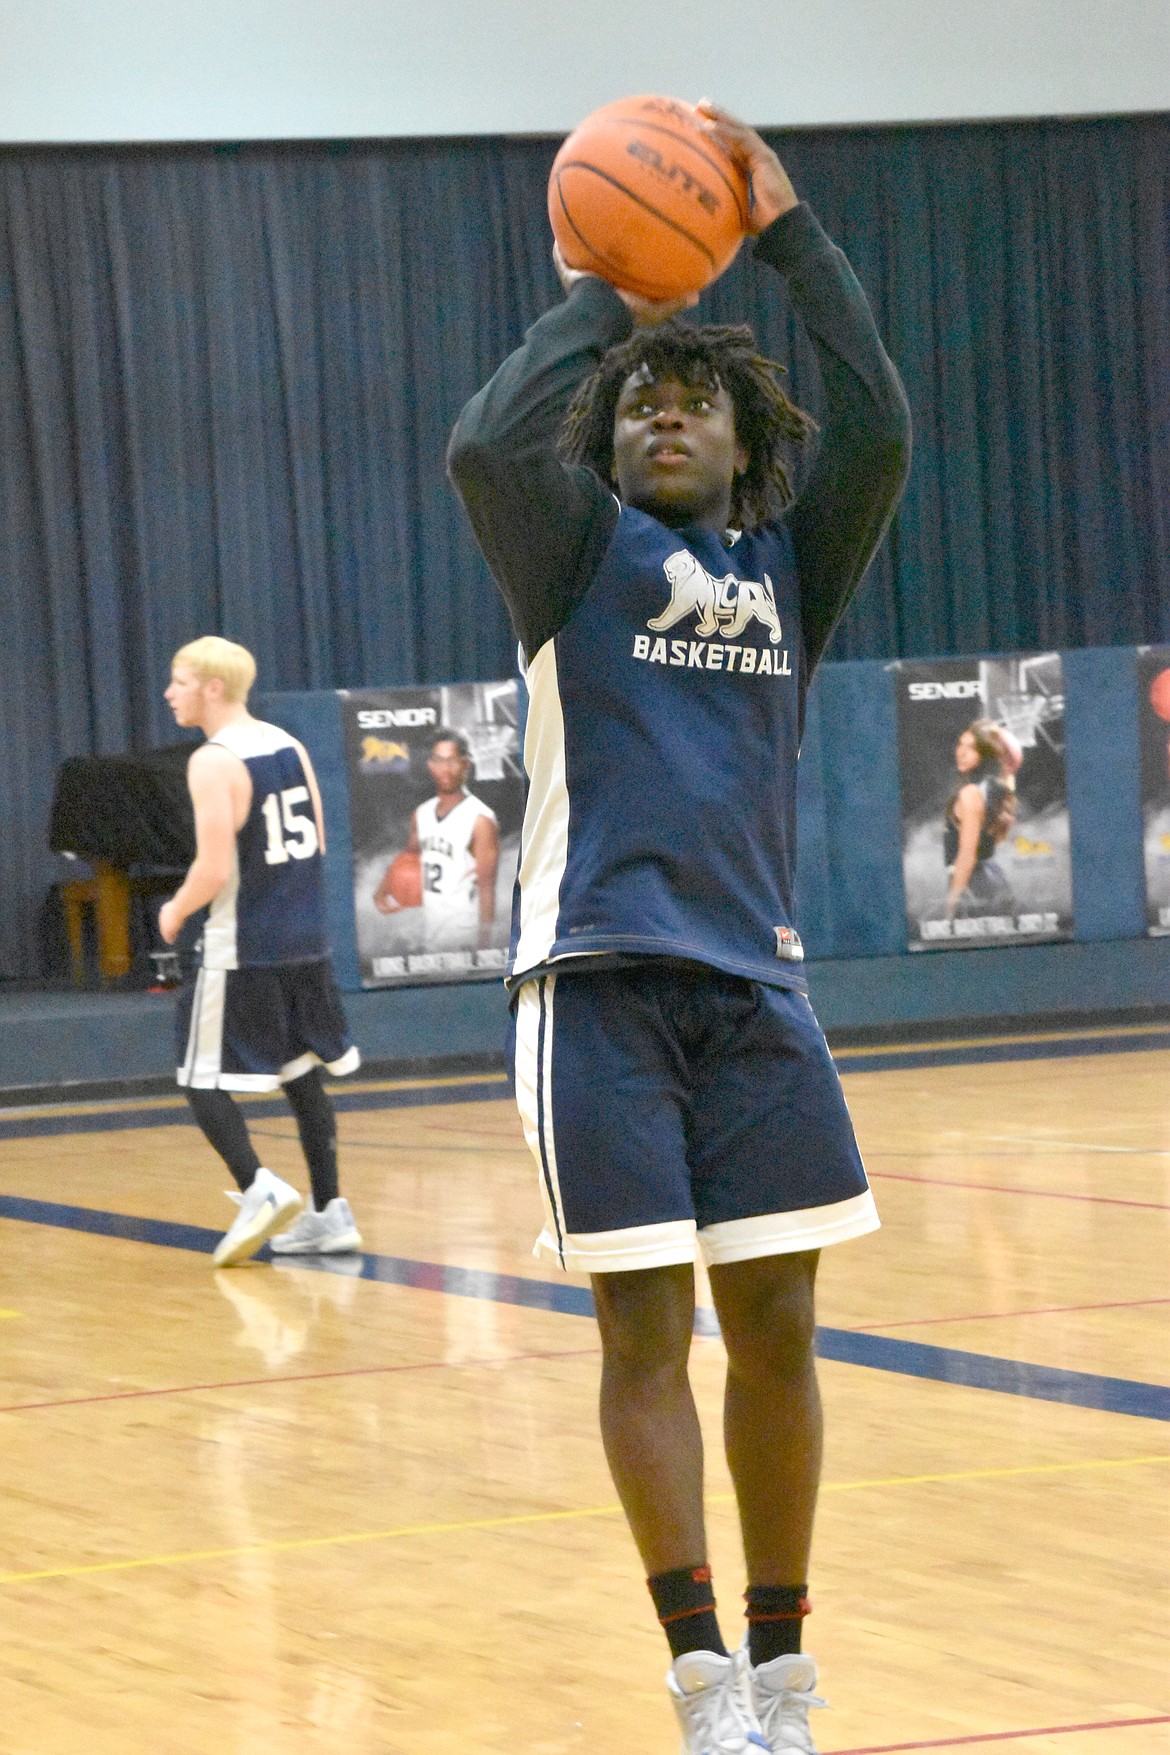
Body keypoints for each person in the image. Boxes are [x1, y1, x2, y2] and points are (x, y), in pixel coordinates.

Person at [448, 101, 910, 1755]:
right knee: (647, 1332)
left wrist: (787, 236)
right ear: (610, 439)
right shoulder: (569, 553)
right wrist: (602, 291)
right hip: (594, 994)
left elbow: (878, 417)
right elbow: (484, 447)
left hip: (757, 994)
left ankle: (785, 1668)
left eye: (694, 400)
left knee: (778, 1328)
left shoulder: (796, 570)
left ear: (742, 449)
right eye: (641, 399)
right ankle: (701, 1674)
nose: (662, 412)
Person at [159, 636, 364, 1266]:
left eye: (179, 681)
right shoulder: (291, 744)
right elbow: (319, 840)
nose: (170, 693)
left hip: (242, 947)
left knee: (197, 1075)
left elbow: (215, 869)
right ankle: (331, 1212)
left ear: (212, 688)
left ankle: (258, 1188)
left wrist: (175, 908)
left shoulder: (214, 761)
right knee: (301, 1072)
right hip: (307, 943)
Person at [372, 729, 500, 950]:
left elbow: (487, 888)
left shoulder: (480, 819)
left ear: (465, 763)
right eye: (439, 760)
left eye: (452, 760)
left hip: (464, 937)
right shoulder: (421, 814)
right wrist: (383, 889)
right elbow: (410, 856)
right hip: (431, 934)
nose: (445, 768)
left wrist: (484, 947)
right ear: (430, 765)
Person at [943, 718, 1020, 920]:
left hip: (975, 885)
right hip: (993, 878)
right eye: (960, 744)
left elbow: (967, 856)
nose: (961, 752)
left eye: (971, 748)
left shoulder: (970, 794)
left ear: (985, 756)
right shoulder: (992, 791)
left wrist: (951, 905)